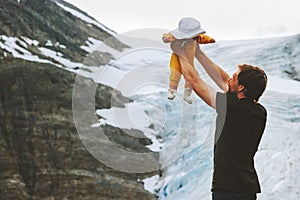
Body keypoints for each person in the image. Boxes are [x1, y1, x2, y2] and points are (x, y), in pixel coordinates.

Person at [169, 20, 268, 200]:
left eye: (234, 78)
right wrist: (197, 52)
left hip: (228, 190)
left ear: (241, 88)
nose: (229, 79)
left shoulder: (233, 108)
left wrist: (179, 52)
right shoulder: (258, 111)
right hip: (248, 190)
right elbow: (221, 78)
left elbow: (195, 81)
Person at [162, 17, 215, 104]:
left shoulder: (195, 38)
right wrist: (166, 38)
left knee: (190, 77)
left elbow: (203, 38)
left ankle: (187, 94)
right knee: (175, 74)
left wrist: (209, 40)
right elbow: (167, 36)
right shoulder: (175, 37)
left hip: (189, 61)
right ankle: (172, 91)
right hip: (177, 59)